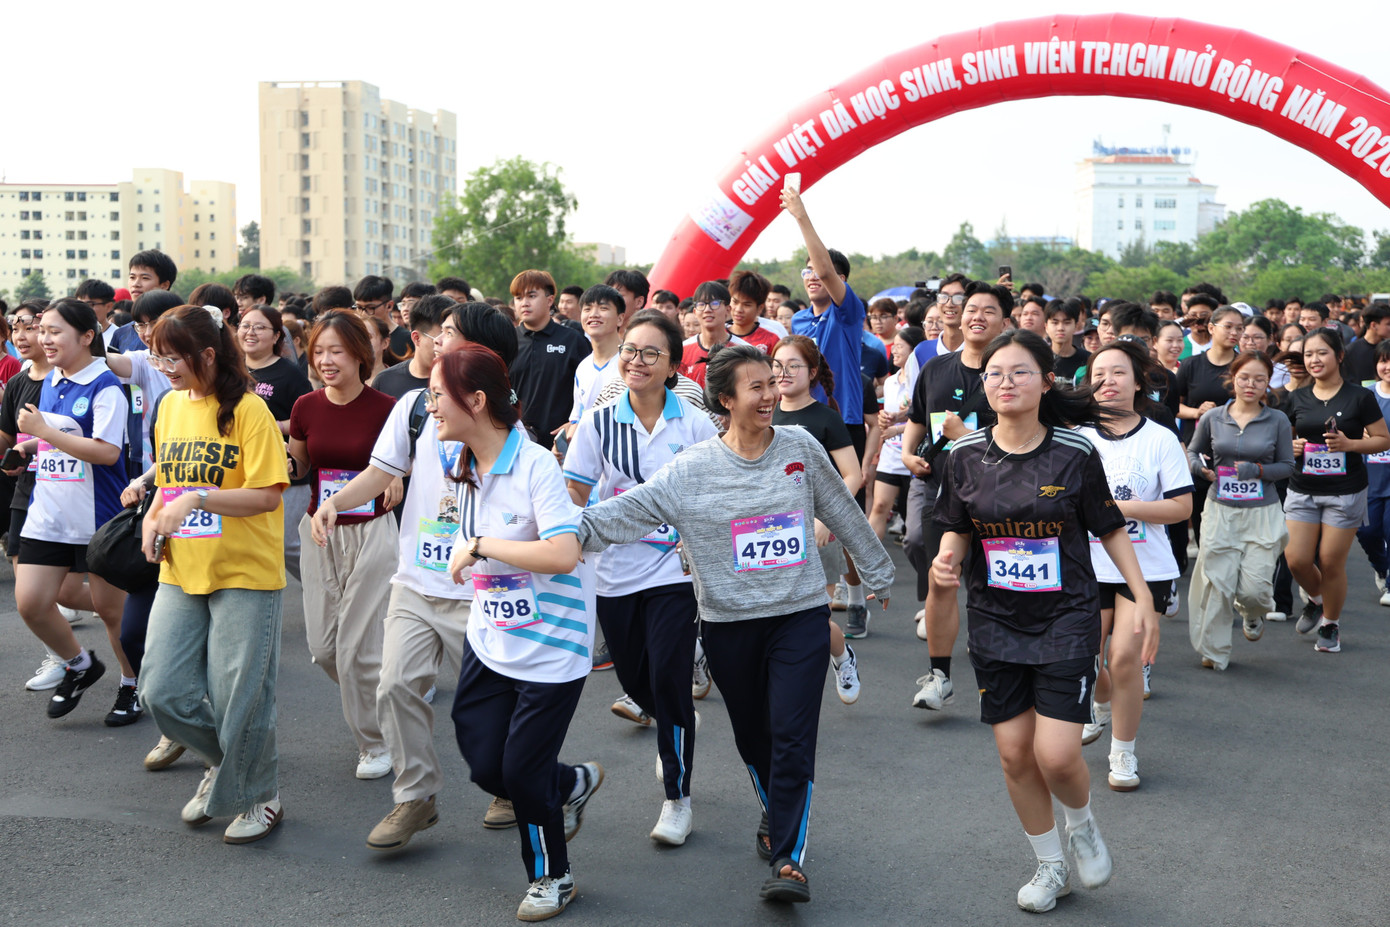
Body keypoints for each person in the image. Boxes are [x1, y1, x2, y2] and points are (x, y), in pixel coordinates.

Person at [575, 344, 894, 905]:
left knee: (794, 736)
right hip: (728, 623)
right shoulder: (693, 469)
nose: (771, 394)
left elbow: (840, 508)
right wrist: (555, 534)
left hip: (797, 615)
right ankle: (778, 812)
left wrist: (876, 570)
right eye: (757, 387)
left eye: (773, 383)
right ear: (726, 399)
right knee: (754, 734)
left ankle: (790, 857)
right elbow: (627, 511)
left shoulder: (799, 447)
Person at [930, 329, 1152, 913]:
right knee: (1013, 754)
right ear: (984, 384)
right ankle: (1050, 864)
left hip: (1066, 616)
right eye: (996, 373)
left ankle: (1080, 824)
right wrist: (945, 560)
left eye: (1020, 371)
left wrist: (1142, 596)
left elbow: (1108, 527)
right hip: (995, 619)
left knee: (1055, 754)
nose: (1006, 381)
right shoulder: (963, 456)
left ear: (1046, 381)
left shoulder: (1074, 453)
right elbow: (955, 526)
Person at [421, 345, 600, 922]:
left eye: (437, 395)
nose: (430, 406)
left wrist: (480, 547)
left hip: (553, 645)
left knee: (522, 772)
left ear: (476, 401)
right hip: (492, 635)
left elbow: (564, 553)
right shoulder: (462, 463)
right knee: (483, 762)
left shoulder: (536, 465)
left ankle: (553, 877)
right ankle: (569, 782)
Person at [562, 312, 717, 846]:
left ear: (673, 364)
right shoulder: (598, 424)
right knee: (635, 681)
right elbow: (575, 496)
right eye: (630, 350)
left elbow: (713, 493)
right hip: (615, 571)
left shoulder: (695, 426)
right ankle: (672, 720)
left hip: (675, 571)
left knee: (671, 679)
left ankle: (677, 798)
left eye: (652, 352)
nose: (637, 360)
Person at [138, 304, 289, 844]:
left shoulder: (249, 411)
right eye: (157, 356)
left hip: (245, 572)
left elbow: (269, 495)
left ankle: (258, 793)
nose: (163, 367)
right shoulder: (170, 406)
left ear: (206, 354)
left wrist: (201, 497)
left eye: (172, 357)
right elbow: (170, 482)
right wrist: (153, 519)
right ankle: (227, 765)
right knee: (160, 690)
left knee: (238, 696)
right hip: (182, 567)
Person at [288, 311, 400, 779]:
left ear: (360, 353)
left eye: (336, 351)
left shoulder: (387, 409)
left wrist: (394, 481)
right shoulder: (306, 407)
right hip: (320, 531)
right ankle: (384, 696)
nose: (326, 360)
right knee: (324, 649)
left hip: (372, 532)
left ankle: (376, 743)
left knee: (356, 648)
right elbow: (298, 469)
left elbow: (401, 465)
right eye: (318, 351)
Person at [1076, 341, 1192, 790]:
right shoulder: (1077, 438)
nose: (1108, 381)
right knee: (1086, 657)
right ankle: (1100, 705)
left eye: (1118, 372)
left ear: (1139, 381)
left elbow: (1182, 507)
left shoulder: (1160, 437)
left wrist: (1126, 509)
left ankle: (1123, 753)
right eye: (1099, 373)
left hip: (1146, 569)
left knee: (1123, 658)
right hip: (1085, 566)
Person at [13, 298, 133, 722]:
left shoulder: (105, 385)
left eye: (54, 330)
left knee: (111, 612)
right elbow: (56, 438)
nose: (44, 338)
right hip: (48, 514)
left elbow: (105, 452)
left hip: (96, 518)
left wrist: (42, 430)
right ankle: (80, 664)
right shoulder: (53, 380)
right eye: (40, 329)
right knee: (31, 602)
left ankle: (131, 686)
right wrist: (27, 446)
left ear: (87, 336)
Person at [901, 281, 1007, 708]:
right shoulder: (935, 369)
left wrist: (966, 438)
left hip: (999, 495)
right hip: (941, 491)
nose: (976, 316)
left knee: (989, 584)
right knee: (940, 575)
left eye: (988, 310)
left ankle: (997, 664)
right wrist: (908, 454)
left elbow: (1025, 438)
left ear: (1004, 321)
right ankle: (939, 676)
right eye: (970, 308)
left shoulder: (1010, 375)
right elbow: (918, 420)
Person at [1282, 329, 1390, 653]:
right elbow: (1282, 440)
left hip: (1346, 490)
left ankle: (1331, 623)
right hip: (1303, 488)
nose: (1314, 360)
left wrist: (1350, 444)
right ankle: (1316, 599)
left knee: (1330, 560)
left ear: (1339, 356)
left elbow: (1383, 439)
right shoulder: (1297, 397)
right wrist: (1292, 446)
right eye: (1308, 354)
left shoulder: (1360, 396)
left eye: (1321, 353)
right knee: (1297, 559)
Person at [1185, 351, 1294, 667]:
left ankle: (1252, 613)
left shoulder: (1277, 420)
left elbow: (1287, 465)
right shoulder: (1213, 417)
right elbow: (1193, 452)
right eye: (1245, 377)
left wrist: (1258, 471)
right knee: (1217, 582)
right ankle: (1214, 651)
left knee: (1256, 589)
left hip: (1262, 513)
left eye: (1260, 379)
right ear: (1232, 378)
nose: (1251, 384)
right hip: (1220, 509)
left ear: (1267, 383)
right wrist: (1200, 470)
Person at [770, 335, 867, 692]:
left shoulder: (826, 417)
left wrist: (826, 520)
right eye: (777, 365)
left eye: (793, 365)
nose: (784, 373)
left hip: (815, 528)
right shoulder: (763, 412)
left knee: (813, 617)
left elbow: (853, 475)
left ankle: (841, 657)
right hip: (767, 530)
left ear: (812, 372)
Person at [238, 304, 312, 582]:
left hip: (288, 469)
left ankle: (322, 589)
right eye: (245, 326)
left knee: (288, 542)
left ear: (276, 335)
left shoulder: (289, 374)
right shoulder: (231, 370)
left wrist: (273, 426)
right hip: (244, 468)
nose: (250, 332)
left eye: (259, 327)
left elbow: (307, 422)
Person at [784, 189, 867, 433]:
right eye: (806, 271)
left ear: (841, 280)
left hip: (842, 419)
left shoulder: (847, 312)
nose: (812, 276)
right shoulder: (799, 319)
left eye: (816, 270)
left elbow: (826, 271)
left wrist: (801, 216)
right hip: (803, 417)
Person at [509, 270, 590, 451]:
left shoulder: (572, 341)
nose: (524, 303)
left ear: (549, 299)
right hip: (515, 444)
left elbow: (590, 393)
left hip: (561, 446)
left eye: (531, 296)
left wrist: (574, 424)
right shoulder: (507, 341)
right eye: (518, 297)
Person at [868, 326, 926, 541]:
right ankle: (872, 569)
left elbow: (924, 420)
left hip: (915, 455)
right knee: (880, 506)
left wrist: (897, 428)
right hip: (891, 455)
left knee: (912, 518)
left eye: (900, 347)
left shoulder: (923, 381)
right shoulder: (890, 383)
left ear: (914, 352)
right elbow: (888, 418)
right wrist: (885, 421)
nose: (894, 351)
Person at [1357, 340, 1390, 606]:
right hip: (1369, 479)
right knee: (1368, 533)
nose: (1387, 366)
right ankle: (1381, 567)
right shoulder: (1364, 395)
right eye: (1383, 361)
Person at [372, 294, 454, 400]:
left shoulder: (461, 381)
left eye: (450, 335)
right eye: (439, 338)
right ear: (416, 338)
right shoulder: (385, 381)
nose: (447, 345)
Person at [678, 281, 746, 386]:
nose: (707, 310)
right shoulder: (682, 351)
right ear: (695, 312)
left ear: (728, 310)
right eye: (701, 304)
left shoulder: (744, 351)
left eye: (715, 304)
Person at [354, 275, 411, 359]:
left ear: (389, 306)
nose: (363, 314)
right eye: (359, 307)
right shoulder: (354, 337)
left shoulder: (407, 339)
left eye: (370, 308)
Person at [1045, 299, 1088, 387]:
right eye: (1055, 322)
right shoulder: (1038, 358)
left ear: (1076, 326)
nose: (1060, 328)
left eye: (1067, 323)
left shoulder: (1088, 360)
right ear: (1046, 326)